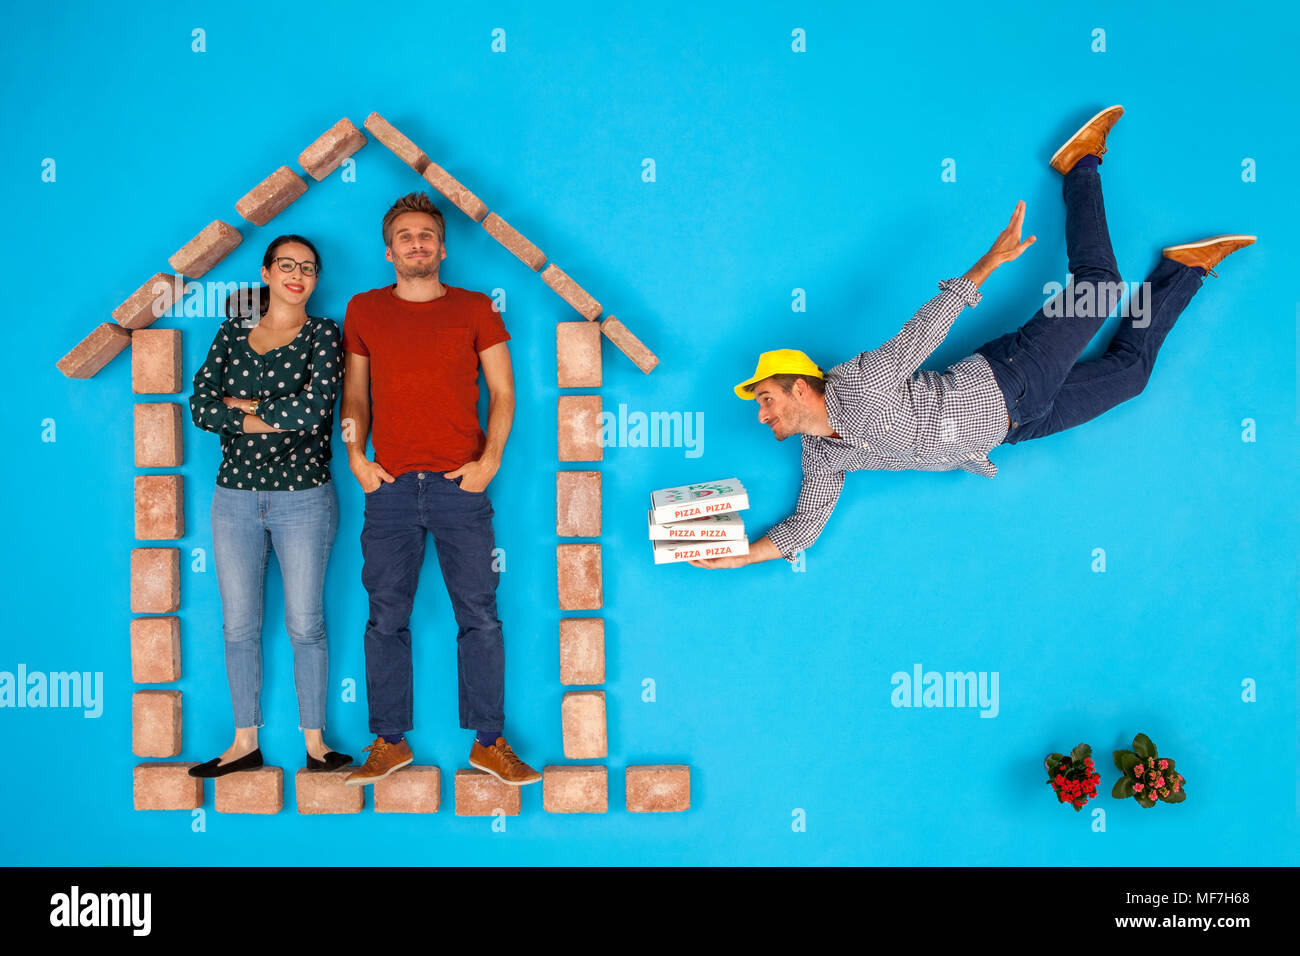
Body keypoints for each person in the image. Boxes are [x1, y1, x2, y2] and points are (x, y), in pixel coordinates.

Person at [692, 105, 1255, 570]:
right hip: (1019, 427)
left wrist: (988, 264)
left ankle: (1080, 162)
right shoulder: (822, 457)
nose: (762, 415)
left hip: (1014, 374)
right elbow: (805, 525)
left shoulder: (859, 382)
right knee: (1131, 377)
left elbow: (924, 329)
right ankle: (1183, 270)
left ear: (799, 387)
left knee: (1101, 288)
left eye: (765, 399)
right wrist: (741, 556)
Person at [339, 193, 540, 786]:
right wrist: (355, 454)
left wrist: (490, 461)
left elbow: (504, 392)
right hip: (392, 487)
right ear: (389, 249)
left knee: (480, 615)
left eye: (426, 234)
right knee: (384, 619)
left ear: (442, 247)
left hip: (460, 484)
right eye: (405, 235)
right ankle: (388, 741)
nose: (417, 243)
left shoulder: (476, 309)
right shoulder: (364, 310)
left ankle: (489, 742)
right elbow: (355, 395)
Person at [187, 235, 352, 775]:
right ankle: (244, 744)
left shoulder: (324, 334)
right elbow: (202, 405)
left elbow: (315, 408)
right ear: (266, 271)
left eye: (308, 267)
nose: (297, 274)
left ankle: (315, 744)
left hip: (303, 497)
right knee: (239, 626)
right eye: (287, 265)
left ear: (316, 280)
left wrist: (246, 406)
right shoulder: (233, 332)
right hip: (233, 496)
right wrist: (259, 412)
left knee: (306, 624)